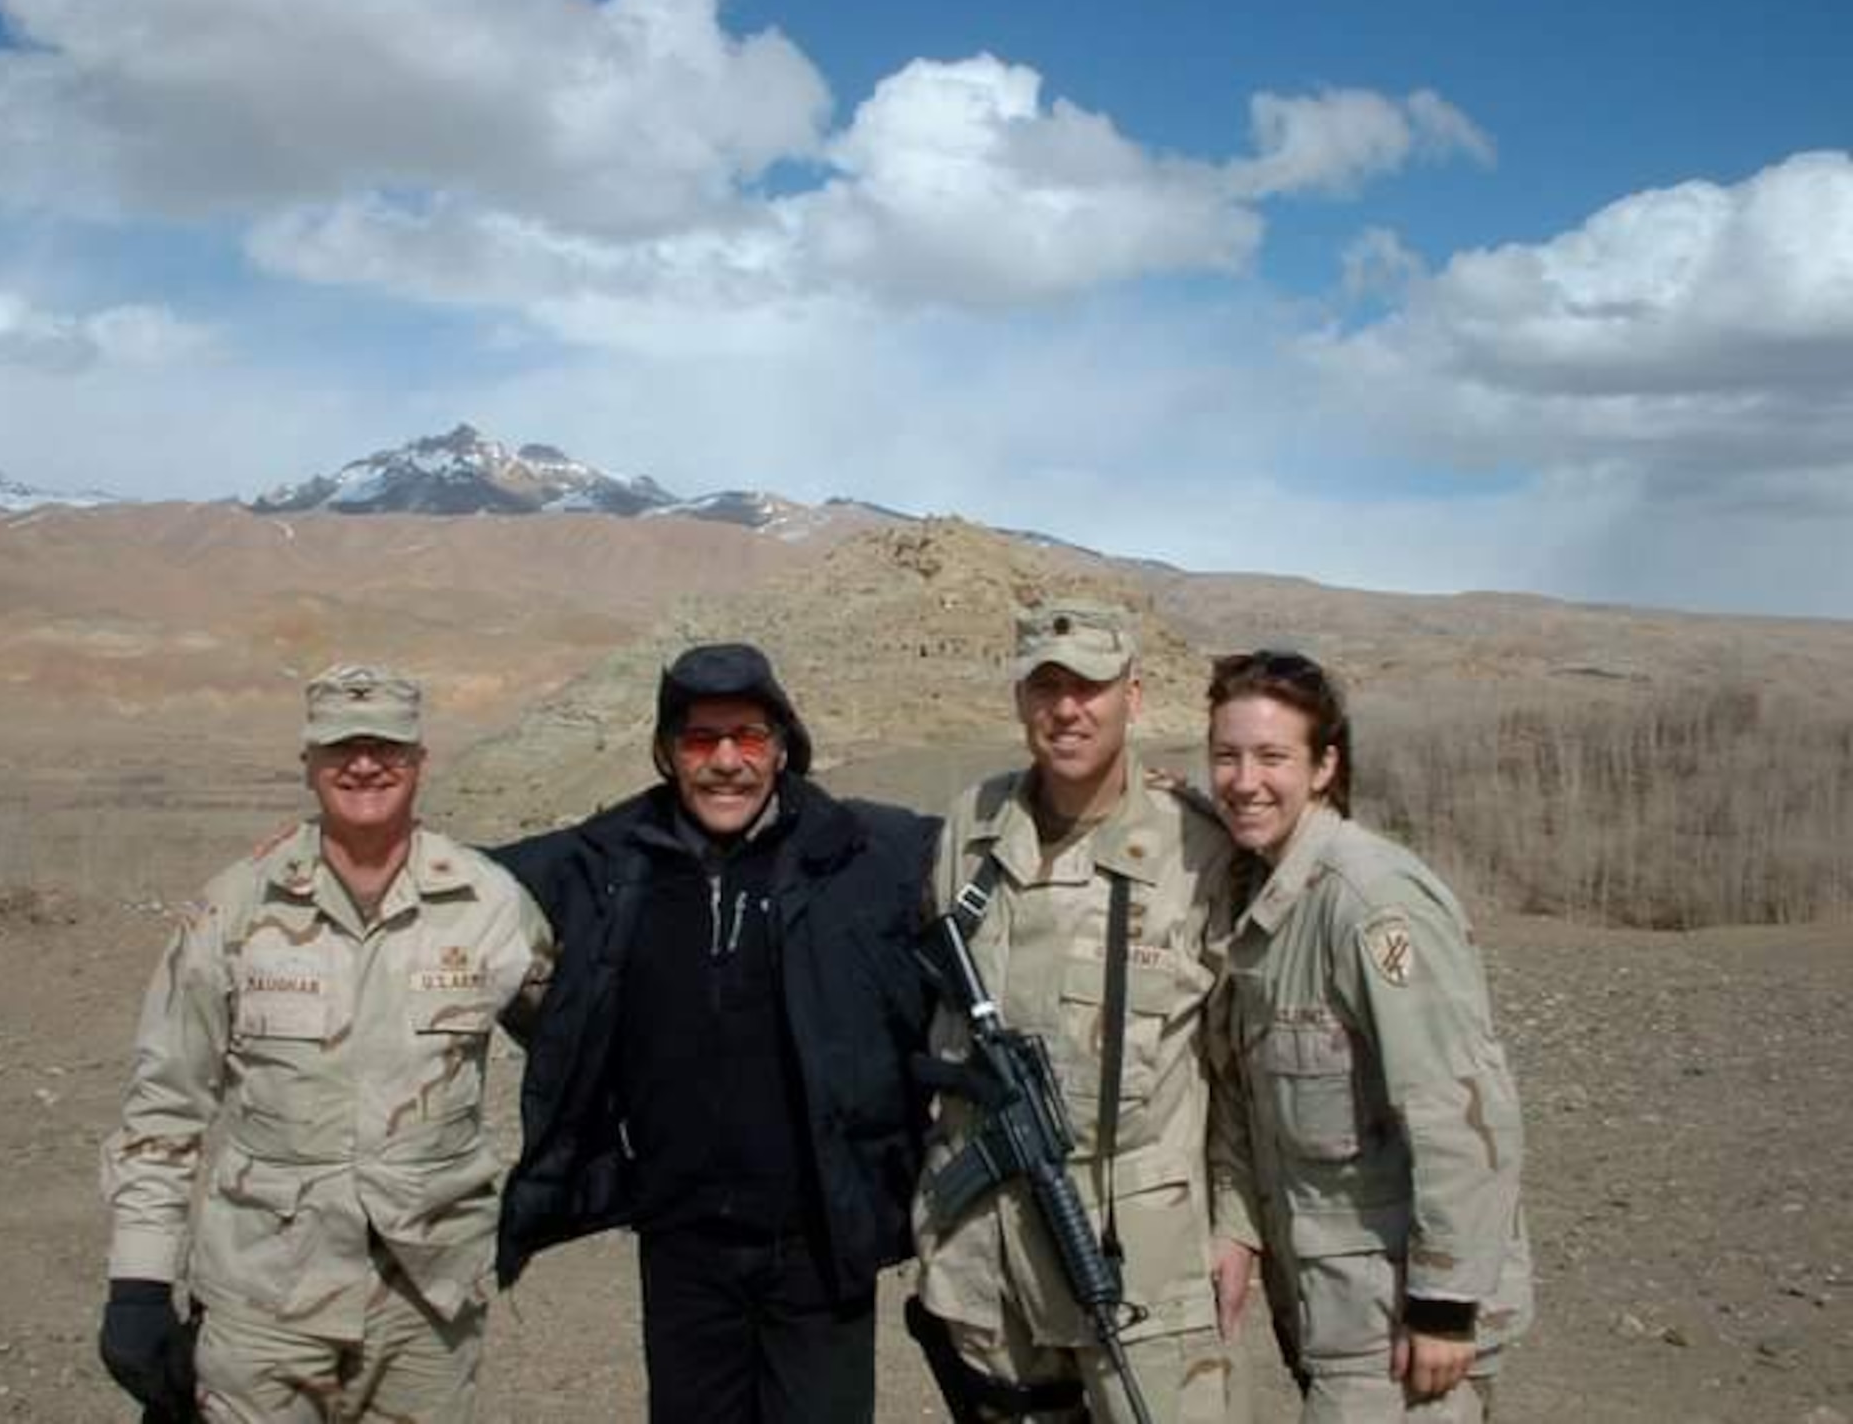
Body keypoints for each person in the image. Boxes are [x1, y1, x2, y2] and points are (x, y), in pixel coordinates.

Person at [489, 641, 937, 1424]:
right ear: (666, 753)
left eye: (749, 738)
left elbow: (1005, 840)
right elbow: (453, 878)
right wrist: (318, 849)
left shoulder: (866, 851)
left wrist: (1141, 804)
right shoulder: (611, 859)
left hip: (822, 1247)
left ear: (783, 746)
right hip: (682, 1244)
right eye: (700, 740)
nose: (726, 762)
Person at [99, 664, 554, 1423]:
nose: (365, 764)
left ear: (420, 760)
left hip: (427, 1303)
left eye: (388, 746)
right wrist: (138, 1283)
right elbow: (165, 1104)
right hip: (266, 1299)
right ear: (308, 761)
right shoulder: (235, 908)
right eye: (342, 746)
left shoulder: (489, 905)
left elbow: (576, 1050)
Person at [912, 600, 1250, 1423]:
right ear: (1021, 700)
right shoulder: (974, 824)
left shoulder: (1198, 851)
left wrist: (1239, 1228)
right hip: (986, 1254)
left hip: (1137, 1253)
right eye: (1045, 687)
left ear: (1132, 697)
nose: (1067, 709)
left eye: (1090, 688)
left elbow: (1237, 1067)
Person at [1201, 649, 1532, 1423]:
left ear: (1324, 767)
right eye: (1226, 756)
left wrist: (1446, 1305)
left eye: (1272, 756)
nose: (1245, 780)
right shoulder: (1264, 901)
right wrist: (1241, 1231)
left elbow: (1463, 1111)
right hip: (1338, 1311)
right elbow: (1255, 1102)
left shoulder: (1370, 903)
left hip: (1404, 1324)